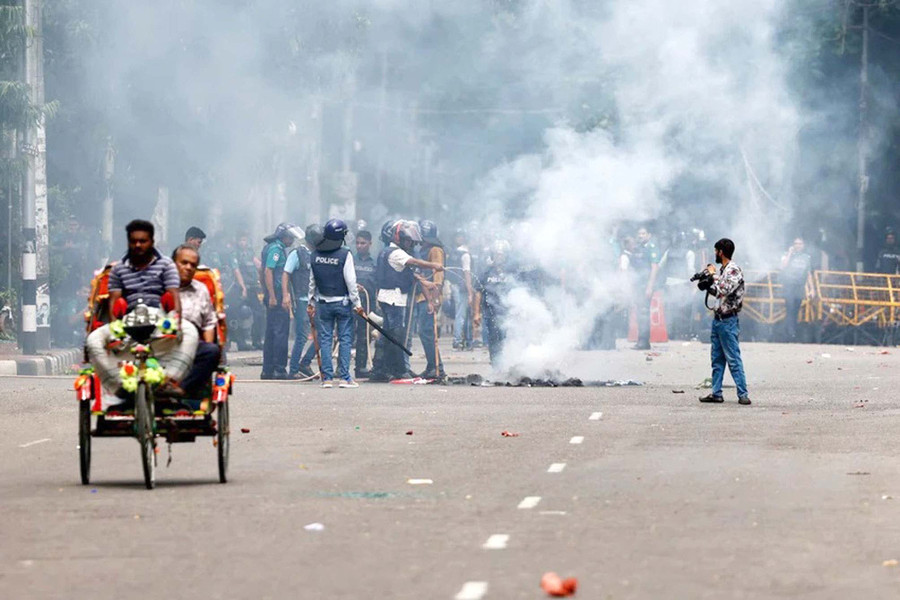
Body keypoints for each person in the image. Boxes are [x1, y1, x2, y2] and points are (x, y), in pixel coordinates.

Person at [85, 220, 198, 406]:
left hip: (159, 318)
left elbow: (174, 298)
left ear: (151, 241)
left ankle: (169, 380)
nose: (138, 245)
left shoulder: (167, 266)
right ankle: (118, 386)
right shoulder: (119, 269)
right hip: (128, 320)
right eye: (134, 241)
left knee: (191, 332)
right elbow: (114, 302)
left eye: (143, 241)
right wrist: (115, 328)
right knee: (93, 340)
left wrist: (174, 321)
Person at [369, 221, 444, 381]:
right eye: (407, 240)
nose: (409, 244)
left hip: (388, 298)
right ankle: (398, 370)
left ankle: (380, 369)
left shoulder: (386, 251)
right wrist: (434, 265)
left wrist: (426, 283)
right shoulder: (397, 252)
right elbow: (415, 263)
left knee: (387, 335)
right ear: (399, 238)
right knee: (396, 336)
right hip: (394, 299)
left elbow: (411, 273)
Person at [307, 219, 365, 388]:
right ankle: (345, 378)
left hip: (323, 303)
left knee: (325, 340)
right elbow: (351, 282)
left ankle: (327, 378)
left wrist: (310, 303)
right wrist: (358, 304)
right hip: (343, 303)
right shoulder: (344, 254)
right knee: (345, 339)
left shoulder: (315, 255)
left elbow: (312, 282)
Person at [699, 238, 750, 406]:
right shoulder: (724, 270)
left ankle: (743, 394)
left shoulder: (733, 270)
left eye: (716, 251)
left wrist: (713, 275)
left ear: (721, 252)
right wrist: (706, 284)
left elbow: (724, 289)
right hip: (718, 320)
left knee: (733, 359)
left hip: (728, 322)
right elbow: (718, 293)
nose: (714, 254)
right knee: (717, 359)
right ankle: (716, 393)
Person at [172, 244, 221, 397]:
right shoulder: (158, 285)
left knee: (212, 351)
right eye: (184, 263)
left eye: (193, 265)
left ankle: (181, 391)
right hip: (161, 342)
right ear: (173, 264)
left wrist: (208, 345)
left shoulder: (201, 290)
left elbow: (208, 323)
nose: (188, 267)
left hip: (192, 343)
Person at [259, 222, 302, 379]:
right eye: (290, 238)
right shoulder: (276, 249)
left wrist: (265, 292)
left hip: (271, 294)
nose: (291, 241)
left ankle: (267, 370)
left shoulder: (269, 247)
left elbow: (261, 271)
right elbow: (268, 271)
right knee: (280, 332)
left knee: (271, 332)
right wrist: (272, 295)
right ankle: (279, 369)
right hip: (276, 294)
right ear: (284, 236)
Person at [414, 220, 445, 378]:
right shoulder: (424, 249)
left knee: (427, 332)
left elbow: (438, 275)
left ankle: (437, 367)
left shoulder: (435, 249)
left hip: (429, 296)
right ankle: (431, 365)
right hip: (421, 295)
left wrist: (434, 299)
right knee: (424, 332)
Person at [282, 225, 313, 379]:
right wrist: (286, 295)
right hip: (301, 300)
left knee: (324, 335)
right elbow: (286, 273)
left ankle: (305, 362)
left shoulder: (318, 253)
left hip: (316, 300)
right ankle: (293, 370)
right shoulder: (297, 253)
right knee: (301, 335)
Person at [476, 240, 513, 367]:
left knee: (508, 339)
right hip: (491, 312)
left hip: (508, 312)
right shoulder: (486, 272)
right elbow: (478, 292)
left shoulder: (513, 272)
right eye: (497, 254)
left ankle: (509, 363)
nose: (499, 257)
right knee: (494, 339)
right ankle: (496, 366)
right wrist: (476, 313)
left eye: (502, 255)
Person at [231, 233, 264, 350]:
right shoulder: (234, 253)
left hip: (252, 288)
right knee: (238, 314)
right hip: (239, 289)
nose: (243, 243)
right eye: (241, 240)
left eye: (245, 240)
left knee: (259, 313)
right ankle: (241, 343)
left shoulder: (250, 253)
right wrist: (242, 286)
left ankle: (257, 341)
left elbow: (258, 265)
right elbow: (236, 270)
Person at [631, 226, 660, 350]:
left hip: (646, 285)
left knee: (643, 312)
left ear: (649, 235)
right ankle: (641, 340)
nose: (641, 236)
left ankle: (643, 342)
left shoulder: (651, 248)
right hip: (638, 284)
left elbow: (654, 268)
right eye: (639, 233)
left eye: (643, 233)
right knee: (639, 312)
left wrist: (649, 286)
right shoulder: (639, 249)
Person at [353, 229, 377, 378]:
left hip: (368, 302)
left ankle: (360, 367)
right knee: (345, 334)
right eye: (357, 243)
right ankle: (339, 368)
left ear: (370, 244)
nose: (360, 246)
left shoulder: (374, 263)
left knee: (364, 335)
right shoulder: (350, 260)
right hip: (350, 302)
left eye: (363, 243)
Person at [780, 237, 811, 342]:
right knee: (790, 309)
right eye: (796, 244)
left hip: (800, 286)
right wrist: (789, 253)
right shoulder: (787, 255)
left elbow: (808, 273)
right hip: (789, 285)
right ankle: (790, 334)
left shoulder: (806, 258)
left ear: (803, 245)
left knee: (796, 310)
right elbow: (783, 266)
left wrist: (812, 288)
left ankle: (792, 333)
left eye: (800, 244)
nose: (798, 245)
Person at [447, 229, 474, 350]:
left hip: (454, 285)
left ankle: (462, 339)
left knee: (459, 313)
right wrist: (470, 292)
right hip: (461, 287)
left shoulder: (453, 253)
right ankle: (458, 340)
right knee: (461, 314)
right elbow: (467, 273)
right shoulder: (465, 255)